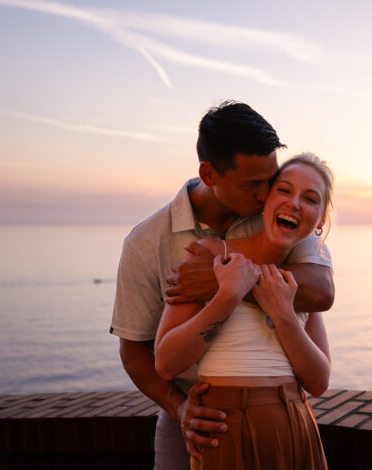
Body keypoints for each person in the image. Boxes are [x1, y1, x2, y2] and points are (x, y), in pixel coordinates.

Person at [110, 101, 334, 469]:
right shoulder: (147, 242)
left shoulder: (280, 216)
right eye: (253, 185)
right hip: (194, 412)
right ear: (210, 174)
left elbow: (321, 291)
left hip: (281, 414)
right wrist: (181, 410)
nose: (267, 194)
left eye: (271, 179)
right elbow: (135, 351)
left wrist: (226, 278)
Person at [154, 153, 333, 469]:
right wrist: (227, 296)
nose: (294, 203)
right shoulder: (208, 254)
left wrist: (284, 316)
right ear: (264, 200)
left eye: (310, 198)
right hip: (224, 427)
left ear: (320, 221)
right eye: (284, 190)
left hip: (293, 424)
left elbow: (318, 382)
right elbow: (166, 362)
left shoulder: (305, 276)